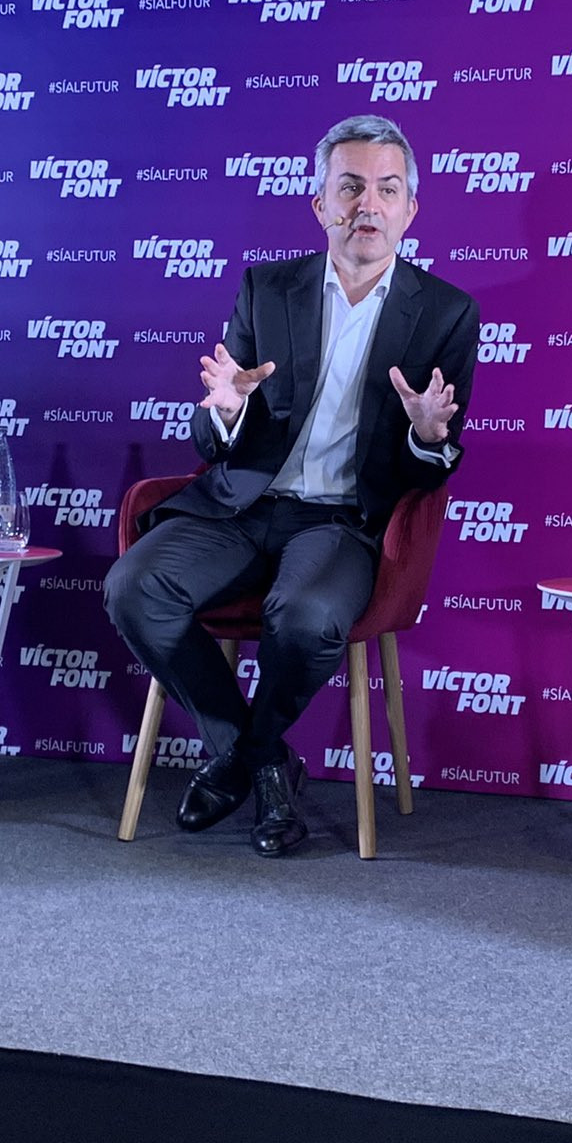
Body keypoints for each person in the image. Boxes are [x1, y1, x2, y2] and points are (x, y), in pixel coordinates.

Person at [105, 114, 479, 856]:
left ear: (410, 209)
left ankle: (245, 758)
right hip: (241, 506)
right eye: (348, 188)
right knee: (132, 588)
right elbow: (212, 435)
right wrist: (229, 410)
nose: (365, 205)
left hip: (341, 521)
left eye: (386, 189)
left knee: (306, 616)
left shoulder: (445, 312)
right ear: (319, 205)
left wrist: (426, 435)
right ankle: (264, 759)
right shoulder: (265, 288)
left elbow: (428, 466)